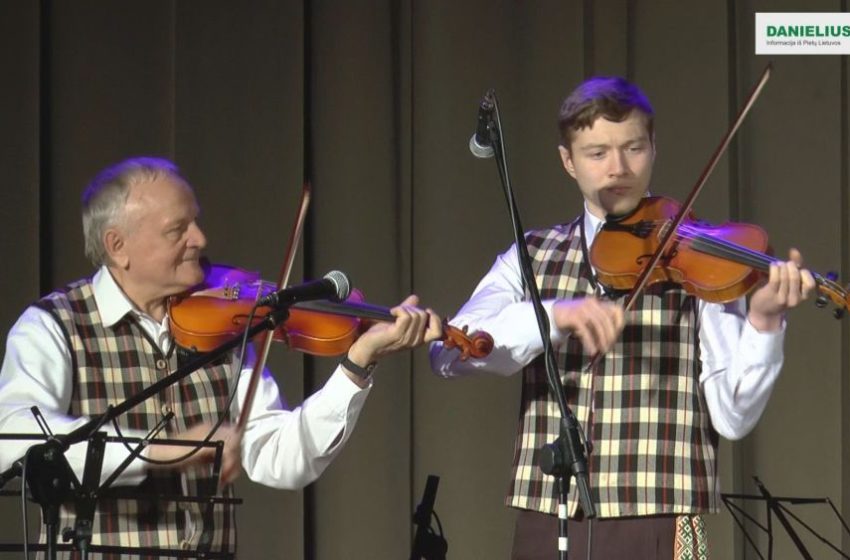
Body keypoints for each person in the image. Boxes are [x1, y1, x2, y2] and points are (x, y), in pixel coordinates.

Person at [430, 77, 815, 559]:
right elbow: (449, 352)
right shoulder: (528, 257)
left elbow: (732, 417)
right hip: (549, 518)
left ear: (653, 148)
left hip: (659, 519)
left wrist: (763, 325)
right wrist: (553, 314)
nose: (618, 168)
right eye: (597, 153)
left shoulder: (699, 260)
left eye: (633, 147)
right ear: (568, 161)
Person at [0, 156, 443, 558]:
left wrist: (356, 364)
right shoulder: (53, 326)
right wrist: (160, 451)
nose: (201, 238)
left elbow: (280, 457)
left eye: (195, 222)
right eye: (178, 230)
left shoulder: (224, 326)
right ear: (118, 246)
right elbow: (16, 434)